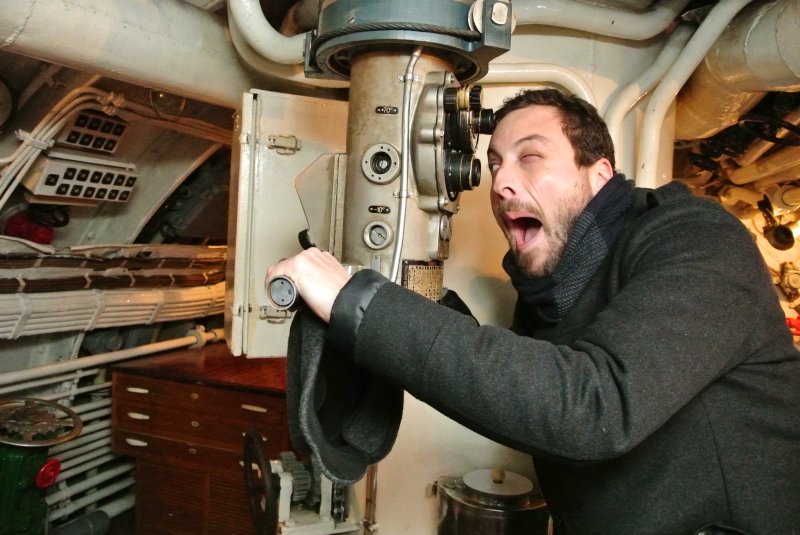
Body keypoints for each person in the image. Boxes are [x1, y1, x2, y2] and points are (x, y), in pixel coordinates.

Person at [266, 89, 800, 534]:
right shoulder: (552, 290)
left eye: (530, 157)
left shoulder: (695, 237)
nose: (499, 183)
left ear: (600, 173)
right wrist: (413, 305)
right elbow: (526, 393)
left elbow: (592, 408)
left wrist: (359, 302)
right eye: (496, 163)